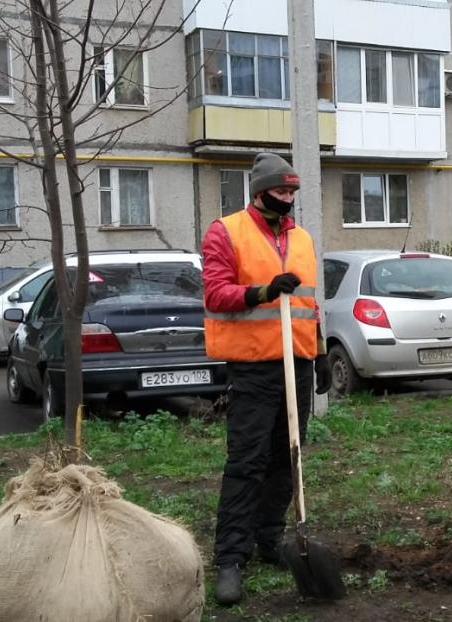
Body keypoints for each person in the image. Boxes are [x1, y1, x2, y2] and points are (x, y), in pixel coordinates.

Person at [201, 152, 332, 606]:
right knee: (247, 461)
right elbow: (217, 294)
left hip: (296, 363)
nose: (289, 199)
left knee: (287, 456)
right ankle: (230, 558)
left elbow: (310, 305)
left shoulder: (304, 240)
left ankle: (270, 535)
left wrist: (321, 354)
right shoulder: (226, 232)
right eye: (282, 191)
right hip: (253, 366)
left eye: (294, 192)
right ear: (259, 192)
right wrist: (262, 291)